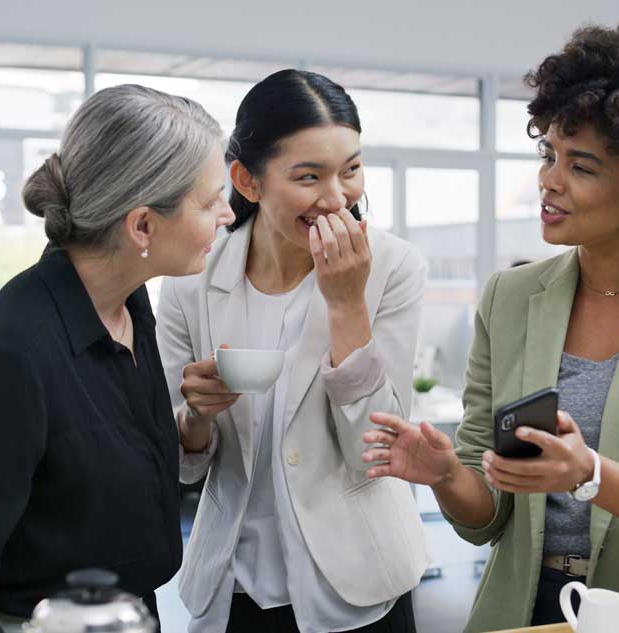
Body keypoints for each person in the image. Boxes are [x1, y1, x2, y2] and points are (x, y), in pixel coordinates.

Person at [361, 17, 619, 632]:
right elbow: (487, 519)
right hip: (530, 606)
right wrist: (448, 473)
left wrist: (590, 476)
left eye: (581, 166)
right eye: (548, 153)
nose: (548, 180)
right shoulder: (510, 296)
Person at [0, 84, 235, 633]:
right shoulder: (12, 354)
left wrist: (195, 420)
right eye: (209, 202)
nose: (227, 215)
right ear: (142, 227)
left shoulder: (132, 306)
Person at [157, 69, 428, 633]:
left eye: (351, 169)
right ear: (247, 181)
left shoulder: (394, 267)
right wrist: (197, 417)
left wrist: (348, 304)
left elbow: (378, 451)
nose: (337, 198)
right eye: (309, 176)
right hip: (233, 586)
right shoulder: (191, 280)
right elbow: (177, 464)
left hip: (357, 588)